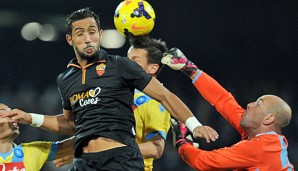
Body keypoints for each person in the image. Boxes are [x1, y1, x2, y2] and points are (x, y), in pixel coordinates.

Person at [0, 8, 218, 171]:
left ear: (100, 34)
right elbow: (71, 124)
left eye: (92, 32)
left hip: (120, 159)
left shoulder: (120, 65)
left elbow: (164, 95)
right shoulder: (66, 79)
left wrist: (194, 124)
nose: (88, 38)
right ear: (70, 39)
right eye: (80, 33)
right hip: (84, 163)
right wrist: (30, 117)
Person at [162, 48, 294, 170]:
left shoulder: (261, 147)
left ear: (269, 118)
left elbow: (202, 161)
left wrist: (182, 143)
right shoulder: (258, 134)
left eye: (258, 103)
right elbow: (223, 100)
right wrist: (191, 69)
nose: (249, 104)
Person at [53, 35, 172, 171]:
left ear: (153, 68)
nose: (128, 63)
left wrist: (104, 152)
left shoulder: (153, 102)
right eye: (128, 58)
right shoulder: (117, 92)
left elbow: (156, 148)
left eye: (135, 60)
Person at [0, 103, 73, 171]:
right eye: (5, 114)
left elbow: (81, 137)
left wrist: (31, 118)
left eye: (11, 113)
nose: (13, 117)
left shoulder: (33, 151)